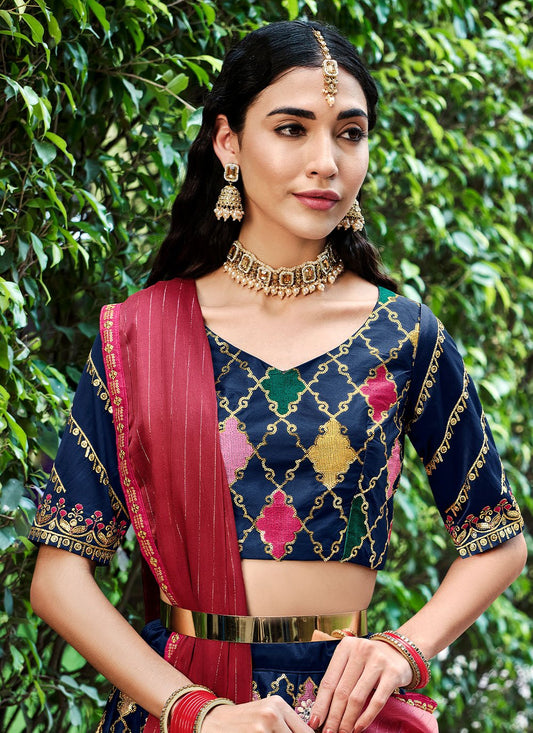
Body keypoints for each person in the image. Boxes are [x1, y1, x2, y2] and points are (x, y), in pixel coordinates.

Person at [29, 20, 526, 733]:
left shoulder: (403, 333)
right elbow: (59, 577)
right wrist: (199, 712)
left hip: (346, 712)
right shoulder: (138, 335)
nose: (325, 162)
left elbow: (497, 538)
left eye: (349, 134)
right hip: (188, 705)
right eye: (292, 129)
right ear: (228, 142)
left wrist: (402, 650)